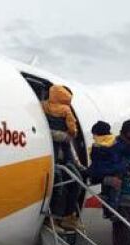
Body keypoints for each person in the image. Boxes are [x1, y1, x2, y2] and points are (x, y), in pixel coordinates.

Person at [42, 84, 84, 231]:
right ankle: (60, 217)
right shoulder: (66, 110)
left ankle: (64, 218)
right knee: (68, 183)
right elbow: (72, 128)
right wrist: (70, 134)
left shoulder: (43, 106)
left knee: (68, 182)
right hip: (61, 156)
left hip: (58, 156)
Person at [87, 121, 123, 219]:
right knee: (114, 193)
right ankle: (112, 211)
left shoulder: (97, 146)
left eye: (94, 134)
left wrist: (89, 173)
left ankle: (110, 211)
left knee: (108, 193)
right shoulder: (117, 142)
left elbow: (96, 163)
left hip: (104, 174)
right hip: (116, 172)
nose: (93, 137)